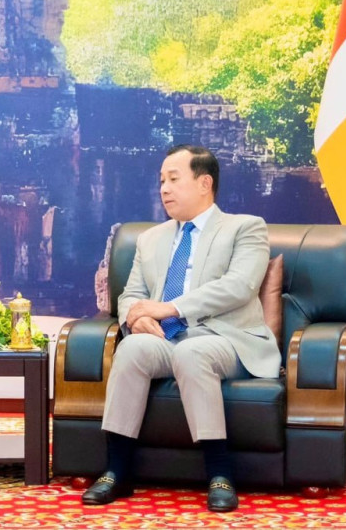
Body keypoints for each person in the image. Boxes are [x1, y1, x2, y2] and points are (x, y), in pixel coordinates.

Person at [81, 144, 281, 512]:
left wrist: (169, 308)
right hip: (166, 338)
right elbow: (131, 294)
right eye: (161, 181)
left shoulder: (245, 227)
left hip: (227, 339)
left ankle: (219, 473)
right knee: (132, 348)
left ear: (205, 183)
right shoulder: (150, 238)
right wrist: (135, 317)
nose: (164, 189)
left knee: (192, 352)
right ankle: (117, 470)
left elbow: (240, 286)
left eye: (174, 179)